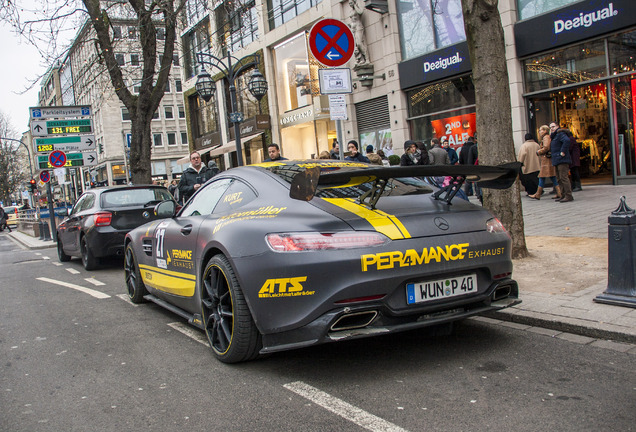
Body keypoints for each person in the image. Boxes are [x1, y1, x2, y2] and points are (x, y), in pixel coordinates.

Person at [529, 125, 559, 200]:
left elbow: (546, 147)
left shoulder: (546, 138)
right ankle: (559, 192)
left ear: (545, 131)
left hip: (546, 161)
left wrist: (539, 152)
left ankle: (538, 194)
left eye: (541, 130)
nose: (539, 132)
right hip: (547, 160)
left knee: (543, 176)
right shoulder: (547, 137)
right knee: (552, 176)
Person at [549, 122, 574, 203]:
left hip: (562, 159)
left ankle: (568, 195)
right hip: (557, 159)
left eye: (553, 126)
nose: (552, 128)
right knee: (559, 178)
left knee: (563, 177)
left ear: (557, 126)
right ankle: (563, 195)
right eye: (550, 127)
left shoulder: (560, 134)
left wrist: (562, 152)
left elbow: (567, 141)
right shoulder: (554, 136)